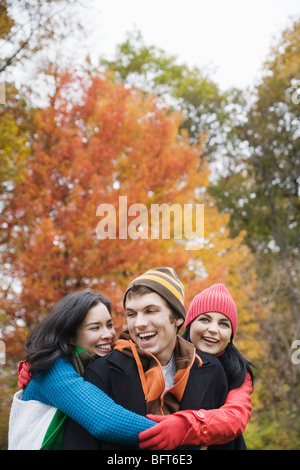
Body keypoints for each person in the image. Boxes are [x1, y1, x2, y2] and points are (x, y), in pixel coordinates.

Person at [62, 268, 243, 450]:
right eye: (131, 314)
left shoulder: (210, 369)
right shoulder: (103, 371)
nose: (139, 323)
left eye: (150, 311)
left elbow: (227, 442)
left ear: (178, 317)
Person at [8, 290, 156, 450]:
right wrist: (175, 433)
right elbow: (105, 420)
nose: (108, 334)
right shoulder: (51, 370)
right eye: (95, 328)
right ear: (70, 336)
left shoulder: (90, 362)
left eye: (109, 325)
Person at [138, 283, 254, 450]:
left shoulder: (237, 372)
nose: (213, 329)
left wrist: (185, 425)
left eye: (223, 324)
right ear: (190, 324)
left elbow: (235, 417)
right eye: (205, 319)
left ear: (231, 335)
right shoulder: (165, 356)